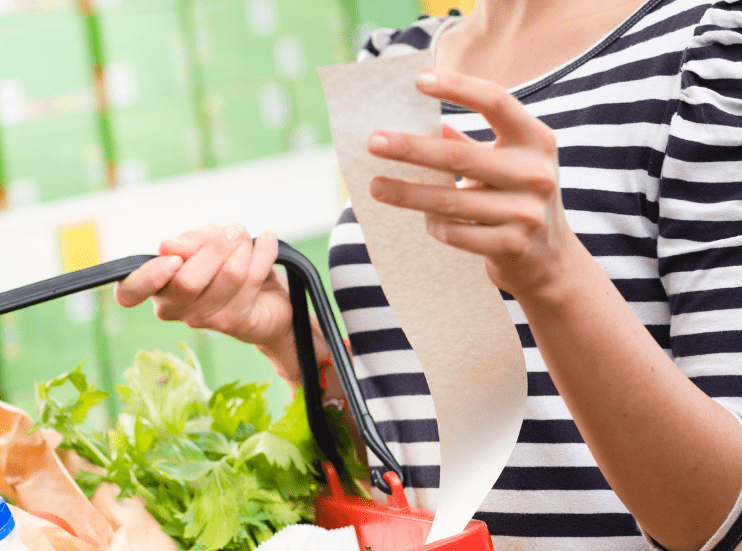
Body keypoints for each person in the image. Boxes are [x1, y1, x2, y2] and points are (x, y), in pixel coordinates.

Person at [113, 0, 742, 549]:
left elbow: (719, 520)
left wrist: (553, 274)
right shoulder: (397, 65)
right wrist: (300, 347)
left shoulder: (708, 54)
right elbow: (417, 461)